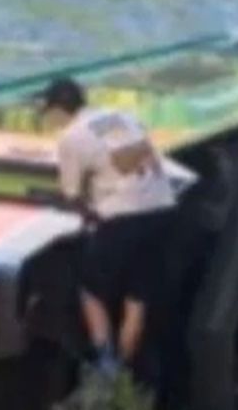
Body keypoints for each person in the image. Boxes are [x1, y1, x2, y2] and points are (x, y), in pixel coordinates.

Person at [35, 76, 178, 380]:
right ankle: (124, 371)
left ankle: (105, 362)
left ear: (58, 110)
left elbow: (72, 196)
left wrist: (91, 217)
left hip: (124, 215)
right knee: (137, 297)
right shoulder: (121, 117)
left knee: (90, 287)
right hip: (163, 210)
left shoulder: (71, 137)